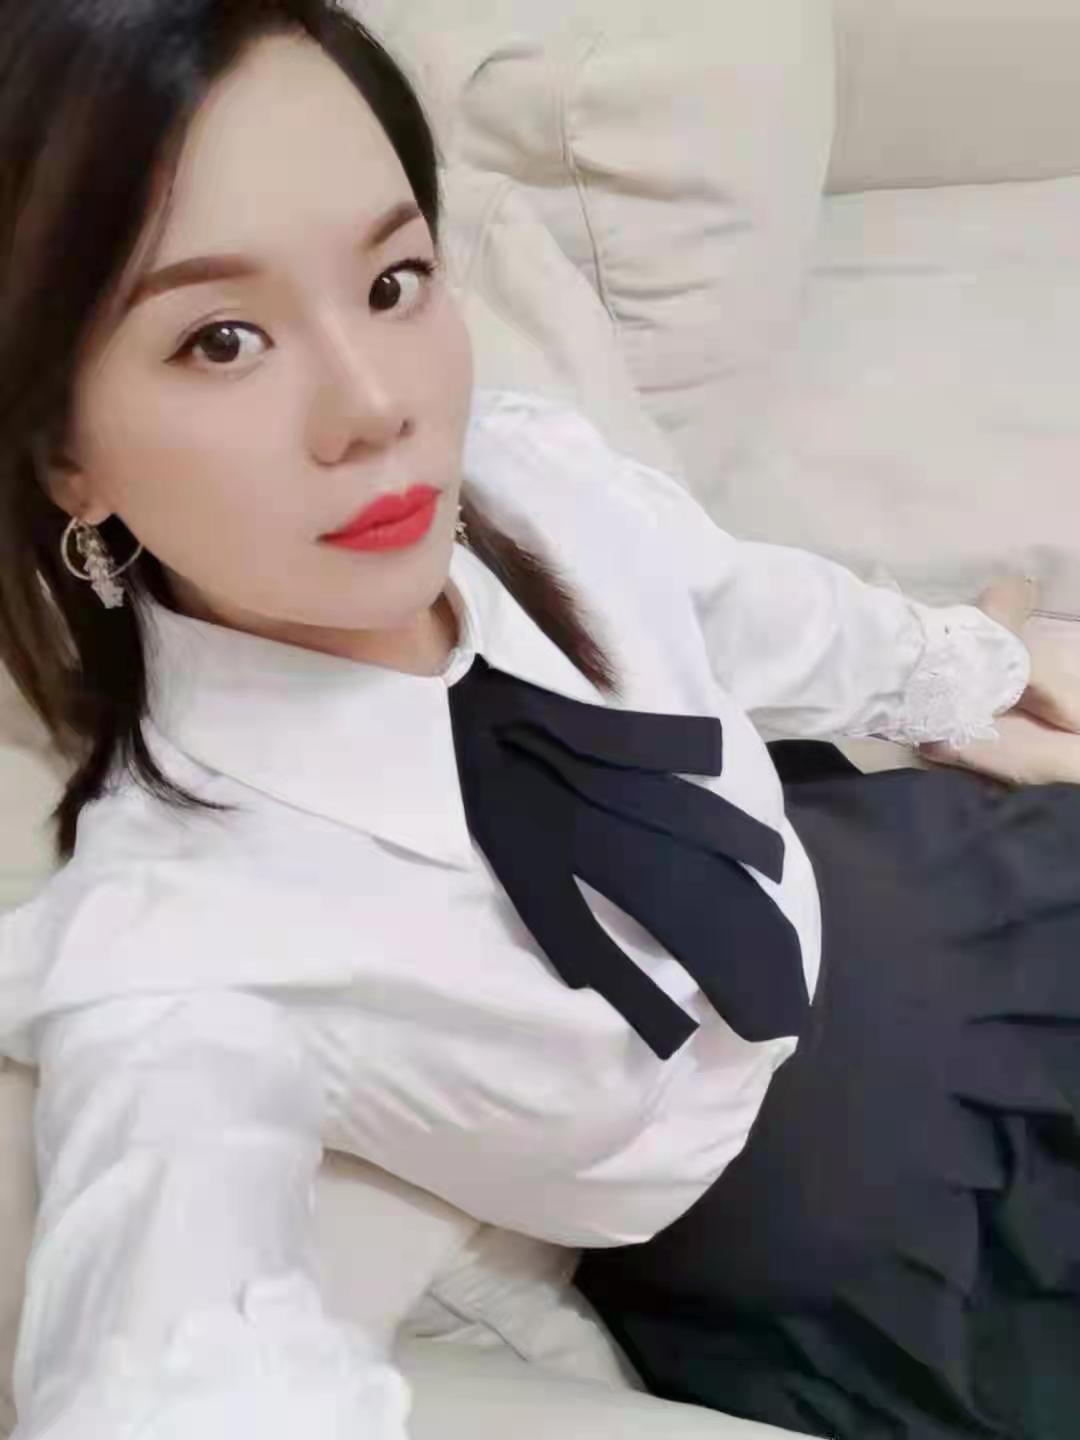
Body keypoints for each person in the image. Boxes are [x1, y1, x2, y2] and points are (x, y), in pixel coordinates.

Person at [0, 3, 1076, 1437]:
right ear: (66, 453)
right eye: (223, 339)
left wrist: (966, 671)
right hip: (877, 1258)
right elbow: (167, 1349)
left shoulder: (529, 475)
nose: (375, 405)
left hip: (929, 889)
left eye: (392, 282)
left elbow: (740, 608)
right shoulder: (180, 948)